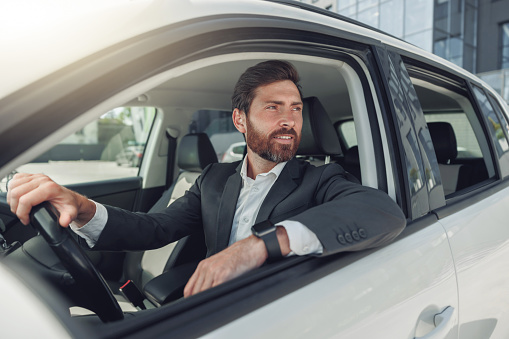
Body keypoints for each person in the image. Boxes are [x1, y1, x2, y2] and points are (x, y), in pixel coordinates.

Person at [7, 60, 406, 298]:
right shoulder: (214, 179)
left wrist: (258, 246)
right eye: (272, 108)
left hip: (283, 308)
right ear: (239, 120)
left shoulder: (321, 179)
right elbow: (154, 228)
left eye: (296, 110)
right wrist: (81, 207)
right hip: (216, 305)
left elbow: (383, 212)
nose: (288, 121)